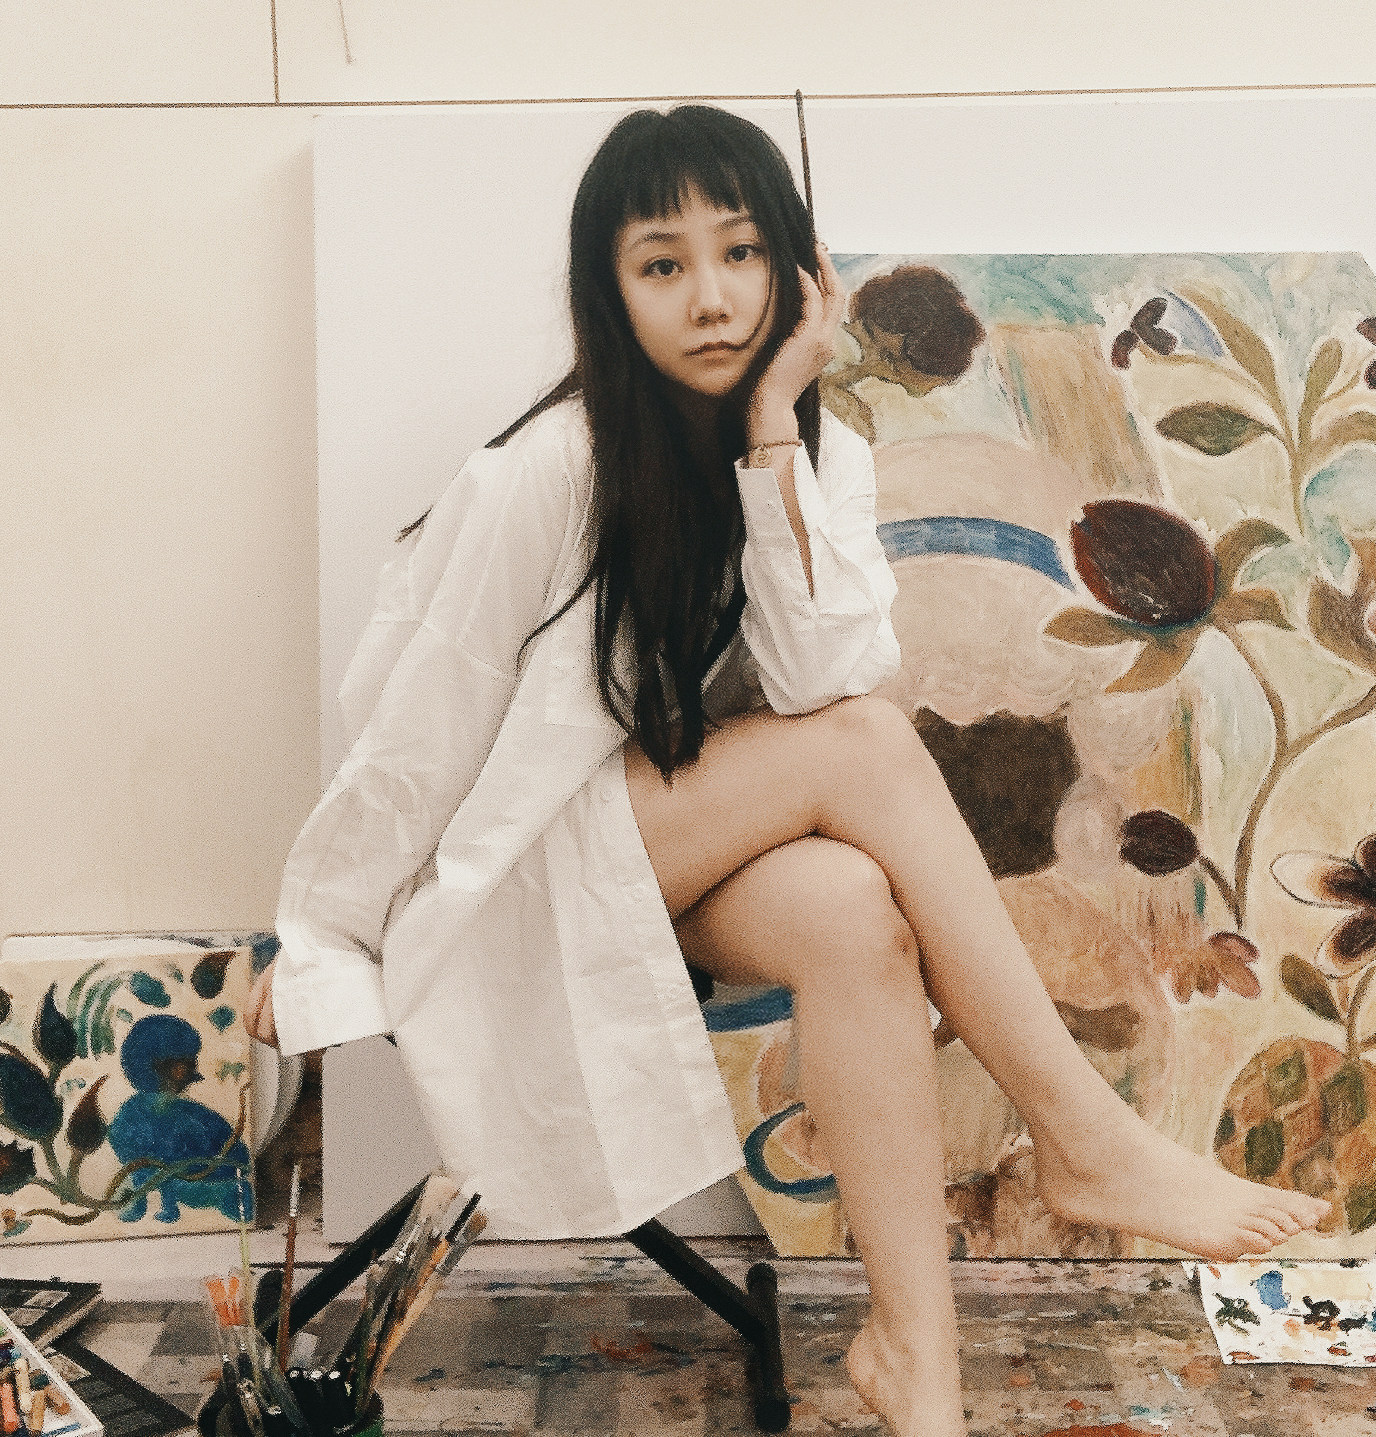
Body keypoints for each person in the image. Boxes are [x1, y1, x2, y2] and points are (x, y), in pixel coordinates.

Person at [246, 104, 1329, 1437]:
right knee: (868, 746)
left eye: (741, 252)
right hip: (525, 869)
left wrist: (773, 435)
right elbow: (413, 738)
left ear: (794, 274)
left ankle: (915, 1368)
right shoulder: (545, 473)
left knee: (855, 913)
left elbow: (826, 676)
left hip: (669, 854)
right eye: (662, 264)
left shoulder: (821, 457)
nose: (710, 297)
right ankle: (1086, 1135)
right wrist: (322, 938)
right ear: (607, 292)